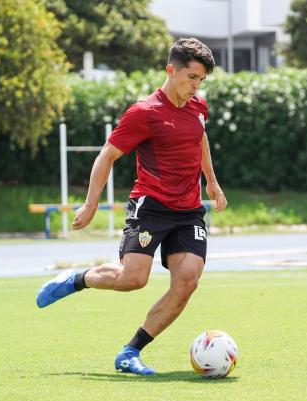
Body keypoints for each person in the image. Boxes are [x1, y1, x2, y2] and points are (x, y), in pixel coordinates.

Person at [35, 37, 227, 375]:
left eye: (202, 80)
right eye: (191, 78)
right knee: (132, 279)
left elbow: (199, 139)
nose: (196, 86)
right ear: (171, 70)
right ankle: (78, 279)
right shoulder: (145, 113)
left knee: (187, 281)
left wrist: (211, 181)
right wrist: (91, 203)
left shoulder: (197, 107)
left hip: (188, 209)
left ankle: (130, 352)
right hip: (150, 206)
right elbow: (106, 155)